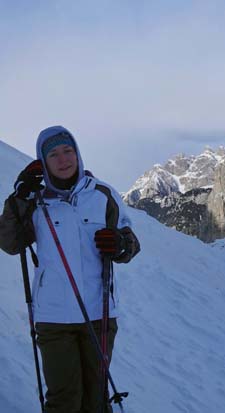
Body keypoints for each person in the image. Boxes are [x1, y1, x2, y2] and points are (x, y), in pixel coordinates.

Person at [0, 126, 140, 413]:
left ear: (77, 153)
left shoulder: (102, 195)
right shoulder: (34, 202)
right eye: (53, 154)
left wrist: (119, 244)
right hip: (54, 318)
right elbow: (11, 243)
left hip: (99, 313)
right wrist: (18, 199)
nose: (63, 159)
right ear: (43, 161)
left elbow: (131, 242)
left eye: (68, 151)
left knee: (97, 398)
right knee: (65, 399)